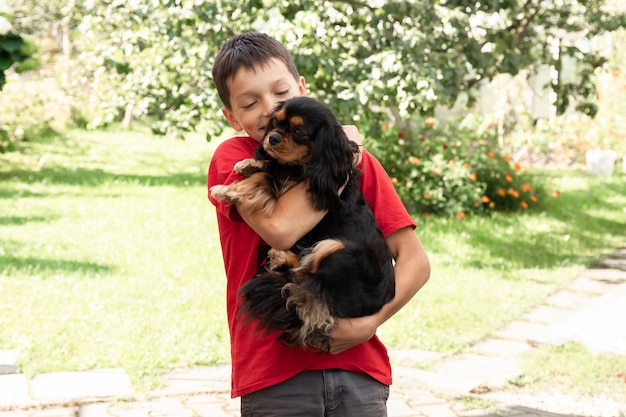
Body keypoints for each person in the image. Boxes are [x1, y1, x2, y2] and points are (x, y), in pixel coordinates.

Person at [207, 32, 430, 417]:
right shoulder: (234, 157)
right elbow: (280, 230)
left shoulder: (361, 162)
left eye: (280, 92)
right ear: (232, 117)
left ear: (302, 88)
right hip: (276, 373)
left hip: (360, 366)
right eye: (249, 102)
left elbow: (415, 261)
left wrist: (370, 323)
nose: (268, 108)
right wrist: (340, 164)